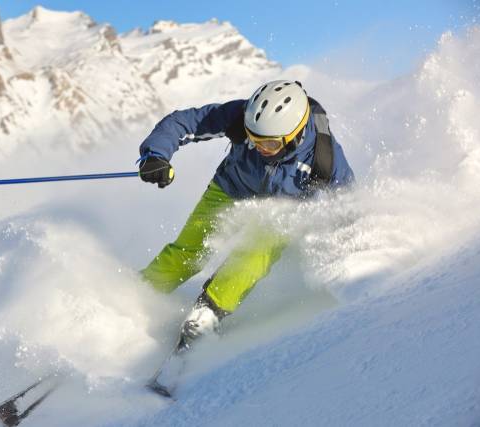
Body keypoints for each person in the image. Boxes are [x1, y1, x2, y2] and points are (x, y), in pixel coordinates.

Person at [138, 80, 354, 356]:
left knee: (252, 258)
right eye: (253, 138)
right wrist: (156, 155)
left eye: (270, 143)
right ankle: (138, 294)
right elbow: (182, 123)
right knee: (188, 251)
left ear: (295, 135)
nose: (259, 147)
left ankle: (206, 318)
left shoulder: (325, 159)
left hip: (283, 210)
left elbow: (346, 204)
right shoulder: (242, 117)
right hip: (231, 187)